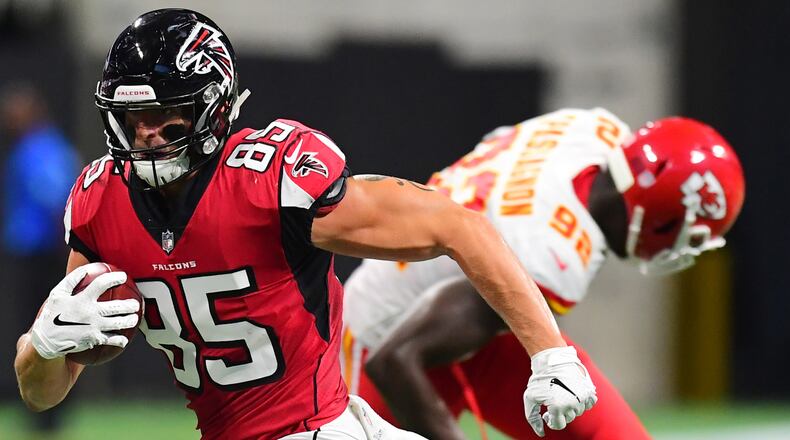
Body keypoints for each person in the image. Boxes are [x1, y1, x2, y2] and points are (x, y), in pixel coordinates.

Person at [12, 9, 597, 440]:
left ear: (213, 108)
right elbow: (41, 391)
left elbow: (458, 227)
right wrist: (42, 346)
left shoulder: (270, 182)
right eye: (134, 116)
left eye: (168, 115)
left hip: (326, 424)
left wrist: (552, 354)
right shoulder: (98, 202)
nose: (148, 134)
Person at [341, 108, 745, 439]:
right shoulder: (552, 253)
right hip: (383, 336)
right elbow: (397, 358)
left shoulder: (594, 129)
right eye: (688, 238)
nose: (683, 251)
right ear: (658, 217)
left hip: (470, 317)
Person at [0, 83, 80, 432]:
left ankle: (47, 415)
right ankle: (42, 413)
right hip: (33, 252)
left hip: (44, 254)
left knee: (45, 329)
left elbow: (55, 200)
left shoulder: (40, 149)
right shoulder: (42, 147)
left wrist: (68, 248)